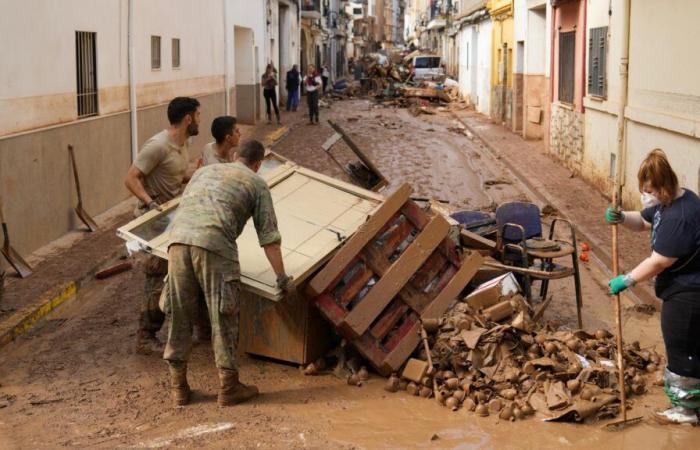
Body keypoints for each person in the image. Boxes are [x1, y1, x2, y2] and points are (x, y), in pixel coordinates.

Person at [163, 139, 293, 407]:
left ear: (235, 155)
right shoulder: (257, 183)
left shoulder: (203, 172)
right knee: (222, 314)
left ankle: (178, 389)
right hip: (214, 245)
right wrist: (282, 278)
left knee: (179, 313)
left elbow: (186, 209)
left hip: (177, 242)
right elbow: (269, 238)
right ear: (258, 164)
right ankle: (229, 387)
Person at [605, 149, 700, 425]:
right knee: (687, 347)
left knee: (683, 349)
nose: (646, 195)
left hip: (689, 294)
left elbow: (659, 262)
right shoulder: (669, 203)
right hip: (680, 288)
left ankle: (685, 411)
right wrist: (622, 217)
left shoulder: (680, 216)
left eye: (650, 191)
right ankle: (691, 403)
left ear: (664, 186)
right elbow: (645, 220)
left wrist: (627, 280)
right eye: (644, 190)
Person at [124, 96, 200, 355]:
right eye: (198, 115)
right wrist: (149, 202)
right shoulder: (158, 145)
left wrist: (199, 175)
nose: (200, 120)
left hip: (171, 221)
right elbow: (131, 178)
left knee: (178, 274)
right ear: (188, 118)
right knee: (156, 279)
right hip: (152, 224)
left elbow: (176, 175)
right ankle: (145, 337)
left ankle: (183, 329)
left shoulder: (183, 144)